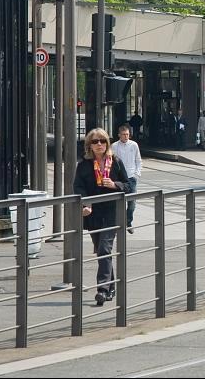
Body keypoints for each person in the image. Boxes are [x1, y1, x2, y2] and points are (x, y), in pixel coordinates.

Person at [73, 127, 130, 306]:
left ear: (107, 143)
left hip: (112, 212)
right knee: (101, 250)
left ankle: (102, 290)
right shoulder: (84, 165)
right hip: (93, 214)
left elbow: (128, 185)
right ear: (89, 145)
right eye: (95, 141)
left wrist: (115, 184)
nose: (99, 144)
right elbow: (78, 188)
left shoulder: (116, 162)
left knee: (105, 249)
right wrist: (85, 204)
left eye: (103, 141)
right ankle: (111, 287)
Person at [113, 124, 142, 233]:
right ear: (119, 135)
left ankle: (128, 221)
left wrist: (137, 174)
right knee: (118, 202)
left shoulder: (134, 145)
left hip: (131, 178)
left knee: (132, 204)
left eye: (127, 134)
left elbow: (138, 160)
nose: (126, 136)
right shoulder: (114, 146)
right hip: (119, 179)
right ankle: (118, 223)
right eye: (124, 134)